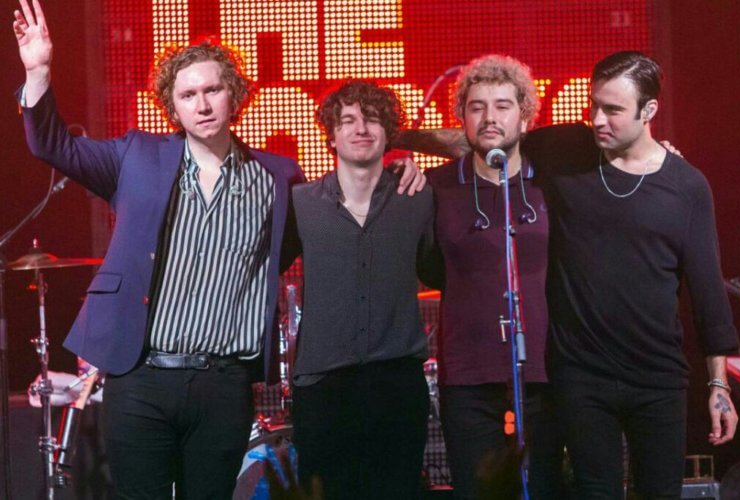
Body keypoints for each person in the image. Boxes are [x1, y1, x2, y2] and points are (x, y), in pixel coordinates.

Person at [13, 0, 306, 496]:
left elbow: (287, 251)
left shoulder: (277, 177)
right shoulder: (137, 156)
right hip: (142, 376)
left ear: (235, 94)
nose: (203, 104)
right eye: (188, 95)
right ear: (172, 106)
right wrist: (38, 71)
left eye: (212, 90)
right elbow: (53, 146)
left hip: (224, 383)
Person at [524, 51, 740, 498]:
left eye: (613, 110)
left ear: (649, 110)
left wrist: (718, 385)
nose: (597, 120)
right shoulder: (565, 150)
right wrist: (397, 144)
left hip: (657, 378)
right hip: (581, 374)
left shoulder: (686, 186)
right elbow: (488, 143)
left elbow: (707, 293)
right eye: (594, 106)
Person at [414, 55, 566, 499]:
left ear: (525, 115)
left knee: (543, 487)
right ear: (461, 117)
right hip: (468, 374)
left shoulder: (551, 184)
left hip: (543, 370)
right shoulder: (435, 186)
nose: (490, 118)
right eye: (477, 107)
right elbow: (427, 266)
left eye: (502, 106)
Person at [287, 80, 435, 500]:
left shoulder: (419, 198)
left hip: (396, 383)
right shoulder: (301, 202)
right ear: (331, 136)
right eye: (348, 120)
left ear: (389, 132)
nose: (361, 128)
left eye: (372, 119)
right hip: (324, 386)